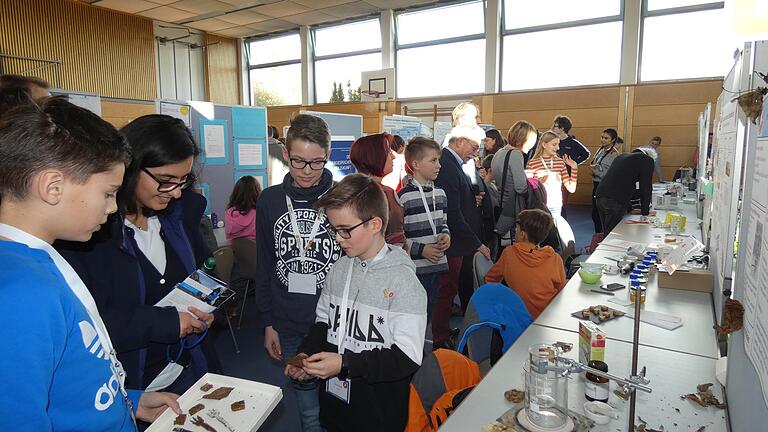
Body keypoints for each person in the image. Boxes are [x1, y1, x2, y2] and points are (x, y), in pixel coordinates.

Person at [0, 97, 180, 430]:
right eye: (108, 192)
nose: (113, 208)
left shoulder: (38, 258)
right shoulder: (18, 293)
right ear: (53, 187)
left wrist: (129, 400)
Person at [58, 114, 220, 396]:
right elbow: (86, 325)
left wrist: (208, 305)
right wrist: (166, 323)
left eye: (183, 180)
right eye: (166, 180)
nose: (176, 193)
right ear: (130, 169)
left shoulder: (180, 217)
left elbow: (205, 272)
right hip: (128, 386)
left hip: (190, 372)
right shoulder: (89, 236)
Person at [286, 173, 427, 432]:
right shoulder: (339, 269)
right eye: (334, 229)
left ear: (375, 224)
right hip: (335, 405)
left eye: (345, 230)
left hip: (378, 413)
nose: (338, 238)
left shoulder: (403, 282)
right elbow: (323, 323)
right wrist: (308, 355)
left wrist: (345, 363)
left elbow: (407, 358)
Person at [255, 113, 341, 432]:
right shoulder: (270, 200)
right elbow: (265, 262)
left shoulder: (342, 197)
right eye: (298, 161)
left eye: (316, 163)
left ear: (327, 157)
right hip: (289, 323)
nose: (307, 171)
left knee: (342, 411)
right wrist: (267, 321)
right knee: (308, 413)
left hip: (337, 323)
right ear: (287, 154)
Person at [433, 125, 489, 349]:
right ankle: (440, 339)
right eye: (474, 147)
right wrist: (477, 243)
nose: (475, 153)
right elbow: (452, 213)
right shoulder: (447, 165)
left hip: (456, 241)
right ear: (460, 141)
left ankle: (444, 331)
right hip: (452, 242)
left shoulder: (452, 163)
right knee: (445, 292)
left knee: (448, 291)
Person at [398, 137, 451, 322]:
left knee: (429, 315)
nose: (439, 165)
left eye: (439, 160)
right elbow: (398, 238)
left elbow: (443, 222)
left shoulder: (441, 194)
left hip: (436, 266)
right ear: (416, 164)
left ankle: (422, 349)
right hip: (415, 269)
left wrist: (446, 235)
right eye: (433, 160)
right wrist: (422, 250)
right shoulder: (403, 197)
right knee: (412, 316)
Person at [484, 209, 566, 319]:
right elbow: (562, 291)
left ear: (522, 235)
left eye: (516, 230)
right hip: (548, 317)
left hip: (518, 319)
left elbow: (490, 279)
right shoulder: (555, 259)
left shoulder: (509, 254)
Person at [350, 133, 405, 246]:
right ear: (374, 156)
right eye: (388, 152)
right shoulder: (385, 193)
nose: (393, 156)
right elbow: (396, 239)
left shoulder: (350, 190)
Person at [491, 120, 538, 238]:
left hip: (500, 204)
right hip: (513, 208)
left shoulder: (499, 153)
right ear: (524, 139)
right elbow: (521, 187)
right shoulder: (516, 154)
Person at [595, 148, 657, 235]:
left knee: (608, 232)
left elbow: (620, 182)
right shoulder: (647, 160)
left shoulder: (622, 156)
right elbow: (645, 187)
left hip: (600, 195)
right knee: (614, 234)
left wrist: (630, 208)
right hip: (615, 200)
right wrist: (645, 212)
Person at [525, 130, 578, 218]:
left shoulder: (560, 163)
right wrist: (539, 182)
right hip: (539, 205)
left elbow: (571, 188)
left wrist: (574, 168)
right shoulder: (532, 164)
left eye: (558, 144)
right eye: (554, 144)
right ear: (544, 145)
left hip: (556, 205)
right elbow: (528, 188)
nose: (558, 148)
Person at [551, 115, 589, 219]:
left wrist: (573, 163)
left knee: (562, 204)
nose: (553, 128)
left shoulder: (573, 143)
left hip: (565, 177)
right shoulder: (553, 142)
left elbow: (586, 154)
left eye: (555, 126)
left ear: (562, 128)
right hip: (553, 177)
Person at [589, 128, 620, 233]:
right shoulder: (601, 149)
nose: (603, 140)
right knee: (595, 213)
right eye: (602, 137)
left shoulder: (614, 155)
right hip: (596, 184)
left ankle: (602, 235)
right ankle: (598, 234)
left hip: (605, 186)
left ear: (613, 140)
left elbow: (611, 174)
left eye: (606, 138)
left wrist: (595, 171)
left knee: (600, 213)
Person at [225, 175, 262, 242]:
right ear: (256, 192)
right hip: (256, 251)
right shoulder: (259, 213)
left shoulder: (229, 212)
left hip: (236, 251)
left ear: (236, 193)